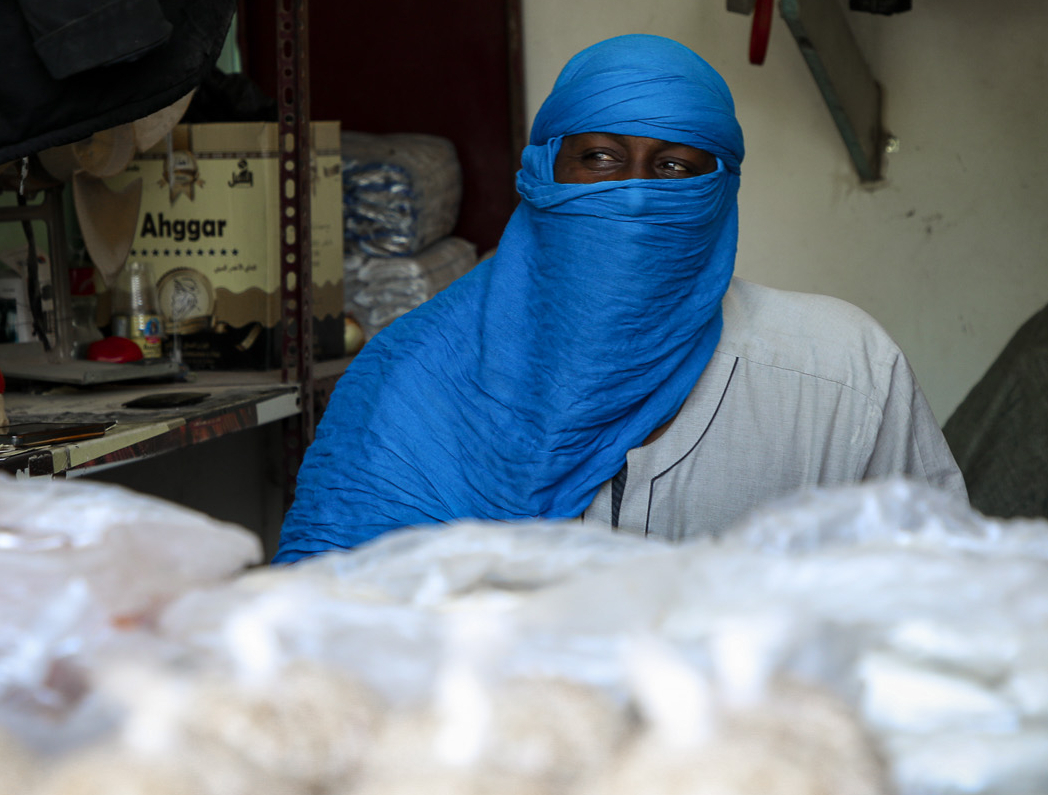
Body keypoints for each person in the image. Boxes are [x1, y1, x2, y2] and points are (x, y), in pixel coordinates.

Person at [275, 35, 964, 562]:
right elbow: (323, 631)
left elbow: (946, 602)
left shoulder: (842, 372)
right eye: (600, 158)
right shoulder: (410, 376)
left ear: (719, 195)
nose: (633, 193)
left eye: (675, 169)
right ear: (544, 172)